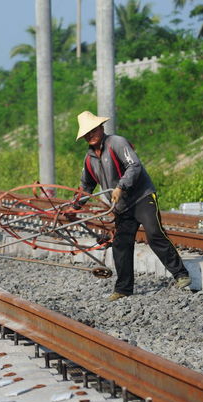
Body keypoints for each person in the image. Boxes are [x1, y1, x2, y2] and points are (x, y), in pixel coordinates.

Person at [74, 111, 191, 302]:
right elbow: (86, 186)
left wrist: (121, 186)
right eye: (87, 133)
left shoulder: (117, 143)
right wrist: (76, 205)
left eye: (93, 130)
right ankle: (123, 289)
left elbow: (134, 166)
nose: (91, 135)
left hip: (142, 197)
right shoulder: (89, 159)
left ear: (101, 128)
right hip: (122, 207)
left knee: (154, 233)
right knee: (120, 244)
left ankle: (181, 275)